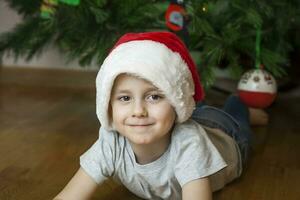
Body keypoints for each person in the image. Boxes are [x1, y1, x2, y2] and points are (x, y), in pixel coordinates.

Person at [54, 31, 268, 200]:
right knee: (193, 111)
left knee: (234, 117)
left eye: (154, 97)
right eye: (125, 98)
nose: (138, 111)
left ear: (176, 102)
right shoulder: (110, 141)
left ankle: (239, 106)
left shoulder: (188, 143)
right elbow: (69, 196)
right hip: (182, 118)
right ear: (108, 105)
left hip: (226, 135)